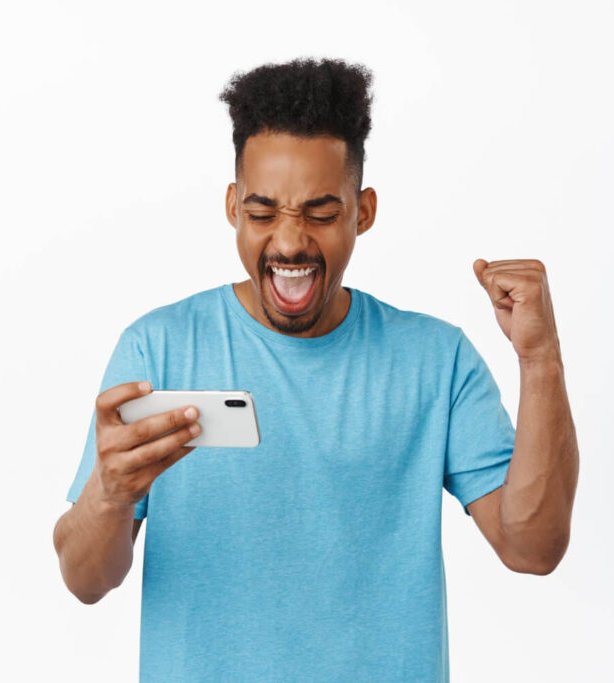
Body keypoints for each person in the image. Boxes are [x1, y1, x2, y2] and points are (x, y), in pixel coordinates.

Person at [52, 57, 579, 682]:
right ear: (232, 206)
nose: (290, 241)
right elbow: (86, 581)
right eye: (264, 211)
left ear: (364, 211)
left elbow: (533, 548)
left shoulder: (436, 361)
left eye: (321, 213)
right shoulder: (158, 349)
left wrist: (539, 358)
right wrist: (109, 496)